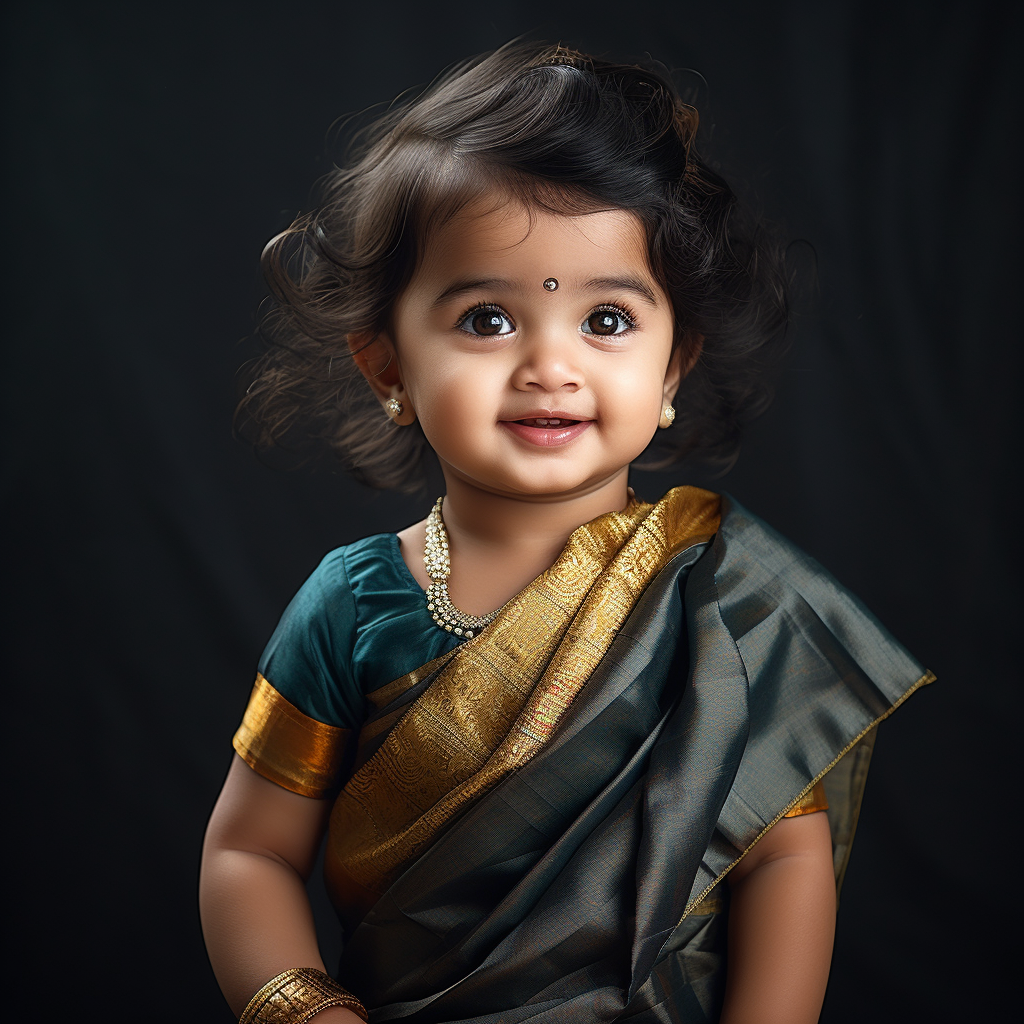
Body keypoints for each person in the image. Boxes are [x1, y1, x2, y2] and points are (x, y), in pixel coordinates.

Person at [199, 42, 932, 1024]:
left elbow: (781, 864)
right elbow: (250, 852)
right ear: (387, 367)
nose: (551, 364)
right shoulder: (354, 603)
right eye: (489, 319)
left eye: (609, 320)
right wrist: (306, 1009)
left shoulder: (728, 602)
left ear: (673, 367)